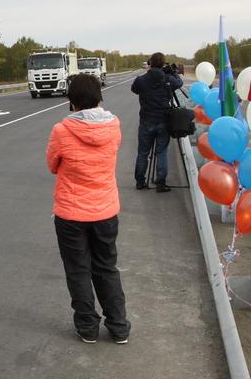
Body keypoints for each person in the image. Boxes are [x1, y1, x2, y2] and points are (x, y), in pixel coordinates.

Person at [46, 73, 130, 344]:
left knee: (78, 270)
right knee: (107, 267)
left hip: (71, 213)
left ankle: (87, 328)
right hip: (105, 210)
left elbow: (52, 165)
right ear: (98, 97)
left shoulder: (62, 130)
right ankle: (119, 327)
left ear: (72, 101)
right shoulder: (114, 126)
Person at [131, 52, 183, 192]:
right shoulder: (167, 79)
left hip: (146, 121)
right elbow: (179, 83)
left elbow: (134, 89)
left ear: (150, 63)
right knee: (161, 153)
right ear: (162, 64)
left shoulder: (141, 80)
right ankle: (161, 183)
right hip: (163, 121)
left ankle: (140, 182)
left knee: (143, 153)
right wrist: (173, 72)